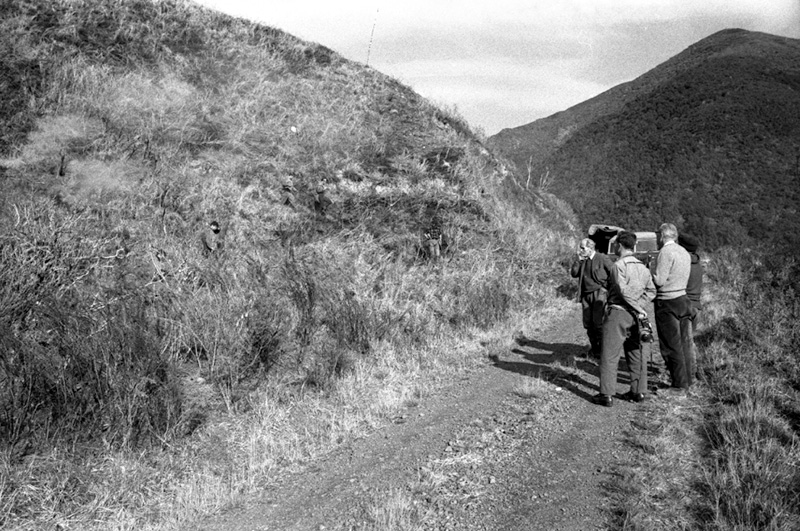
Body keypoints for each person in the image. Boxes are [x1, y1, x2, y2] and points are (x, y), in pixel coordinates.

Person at [593, 231, 656, 407]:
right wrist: (640, 307)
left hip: (618, 313)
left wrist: (634, 305)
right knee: (636, 353)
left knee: (609, 354)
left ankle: (606, 395)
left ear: (618, 245)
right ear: (634, 246)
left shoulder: (617, 266)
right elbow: (652, 291)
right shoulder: (643, 268)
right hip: (637, 316)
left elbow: (623, 290)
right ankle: (638, 392)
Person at [650, 223, 693, 392]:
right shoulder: (683, 252)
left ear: (661, 236)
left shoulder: (665, 253)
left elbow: (660, 280)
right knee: (684, 343)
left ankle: (678, 384)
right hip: (683, 298)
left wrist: (649, 272)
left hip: (667, 301)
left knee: (670, 345)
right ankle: (687, 380)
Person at [570, 238, 614, 358]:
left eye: (583, 248)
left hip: (599, 293)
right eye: (581, 248)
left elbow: (614, 272)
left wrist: (606, 289)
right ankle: (595, 349)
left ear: (591, 248)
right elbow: (574, 274)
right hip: (586, 295)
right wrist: (578, 261)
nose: (581, 250)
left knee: (598, 323)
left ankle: (603, 351)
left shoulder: (602, 258)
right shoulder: (582, 260)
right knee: (588, 324)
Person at [679, 232, 703, 381]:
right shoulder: (698, 264)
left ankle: (690, 376)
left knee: (685, 343)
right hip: (696, 305)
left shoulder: (685, 264)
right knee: (691, 341)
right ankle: (693, 372)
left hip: (686, 305)